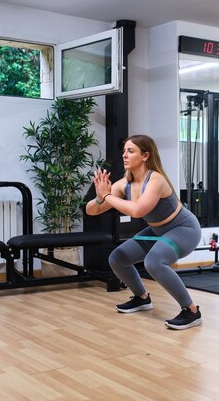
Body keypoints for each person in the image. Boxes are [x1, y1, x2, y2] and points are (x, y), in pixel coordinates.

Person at [86, 135, 203, 330]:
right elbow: (91, 211)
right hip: (158, 230)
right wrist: (99, 198)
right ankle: (142, 298)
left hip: (183, 229)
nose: (124, 155)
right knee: (118, 258)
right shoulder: (125, 183)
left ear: (145, 155)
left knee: (154, 261)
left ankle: (191, 311)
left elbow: (137, 210)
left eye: (130, 151)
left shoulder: (156, 179)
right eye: (124, 151)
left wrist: (107, 196)